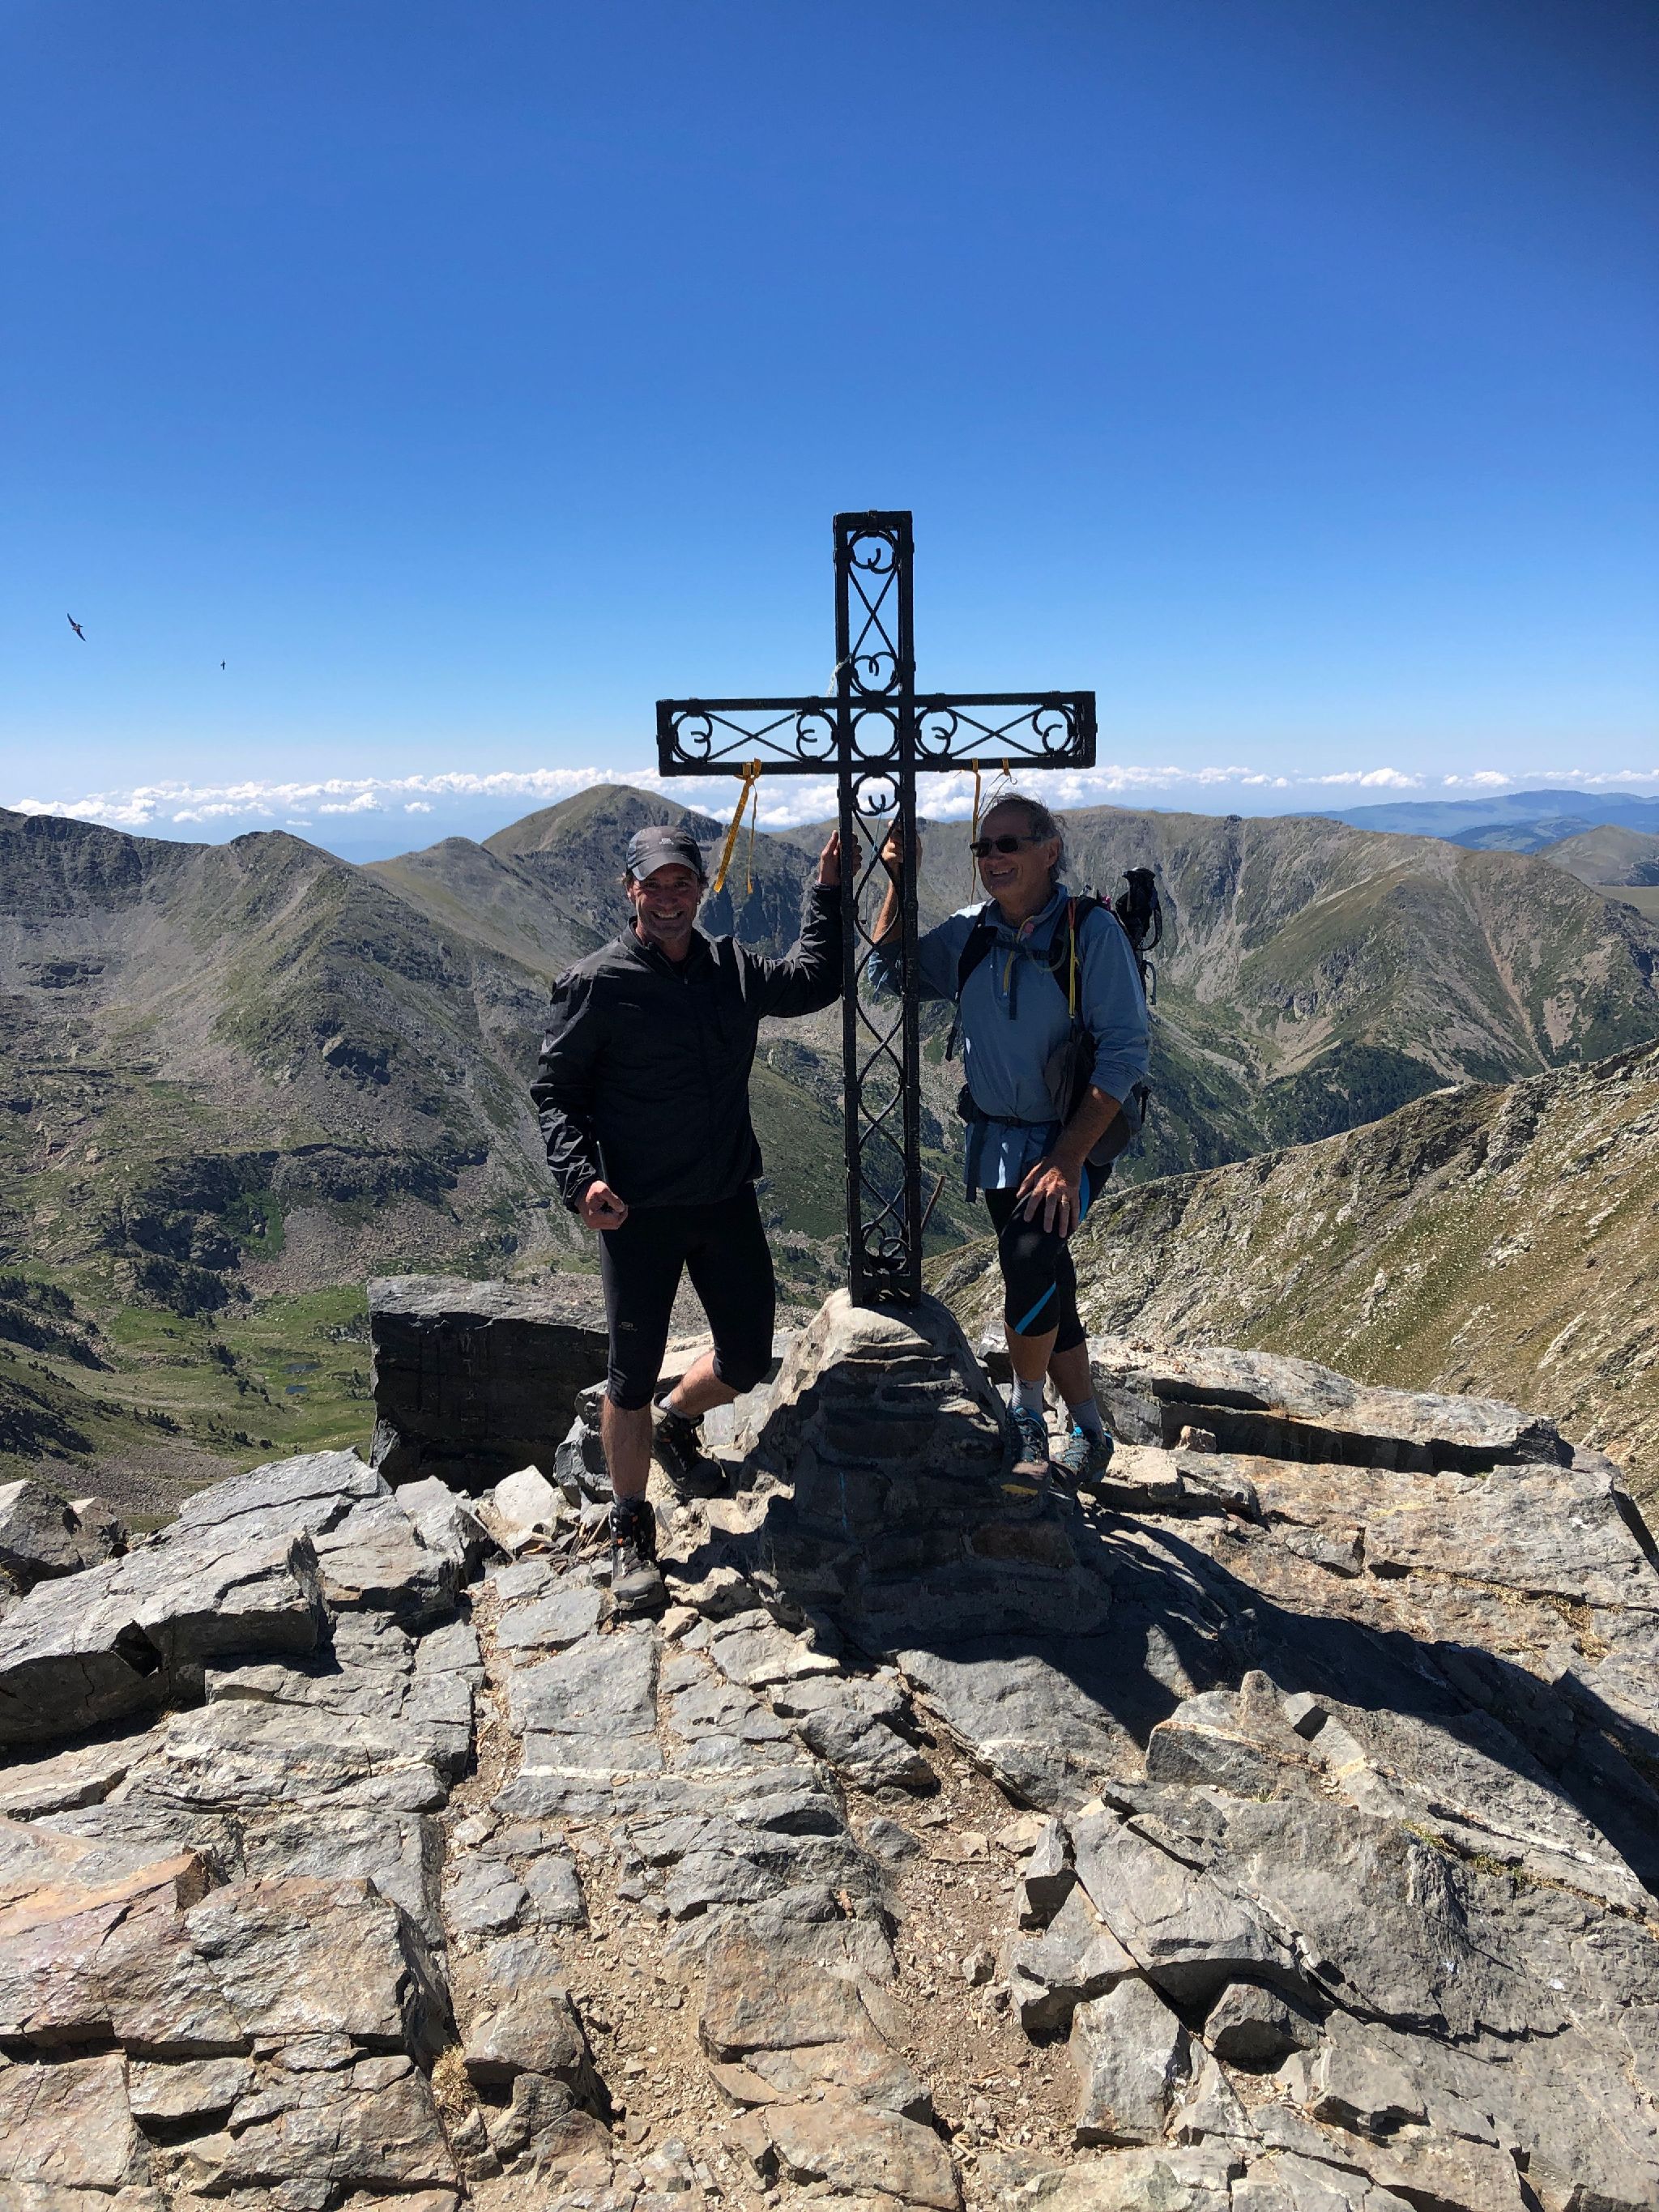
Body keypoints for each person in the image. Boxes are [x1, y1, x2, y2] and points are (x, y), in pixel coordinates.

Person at [532, 819, 842, 1612]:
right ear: (629, 890)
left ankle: (677, 1421)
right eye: (653, 885)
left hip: (724, 1197)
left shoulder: (731, 968)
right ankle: (630, 1528)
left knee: (746, 1357)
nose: (668, 899)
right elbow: (556, 1094)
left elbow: (814, 981)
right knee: (628, 1377)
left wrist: (828, 891)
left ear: (701, 887)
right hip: (636, 1213)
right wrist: (580, 1181)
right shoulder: (596, 982)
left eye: (682, 883)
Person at [871, 793, 1149, 1488]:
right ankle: (1090, 1428)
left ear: (1049, 851)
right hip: (998, 1142)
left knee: (1027, 1256)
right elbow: (887, 971)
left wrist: (1067, 1159)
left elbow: (1125, 1052)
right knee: (1047, 1276)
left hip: (1072, 1140)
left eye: (1008, 844)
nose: (992, 858)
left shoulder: (1091, 932)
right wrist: (898, 882)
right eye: (982, 847)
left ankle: (1027, 1415)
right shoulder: (971, 932)